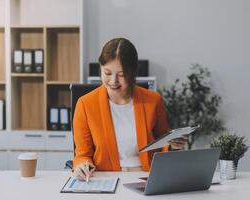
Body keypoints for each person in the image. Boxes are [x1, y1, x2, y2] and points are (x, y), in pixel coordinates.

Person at [73, 38, 188, 180]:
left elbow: (161, 145)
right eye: (107, 73)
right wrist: (81, 166)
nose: (113, 81)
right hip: (106, 178)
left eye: (121, 75)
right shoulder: (85, 104)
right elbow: (82, 155)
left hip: (146, 177)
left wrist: (172, 146)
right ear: (100, 69)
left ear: (133, 73)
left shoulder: (153, 100)